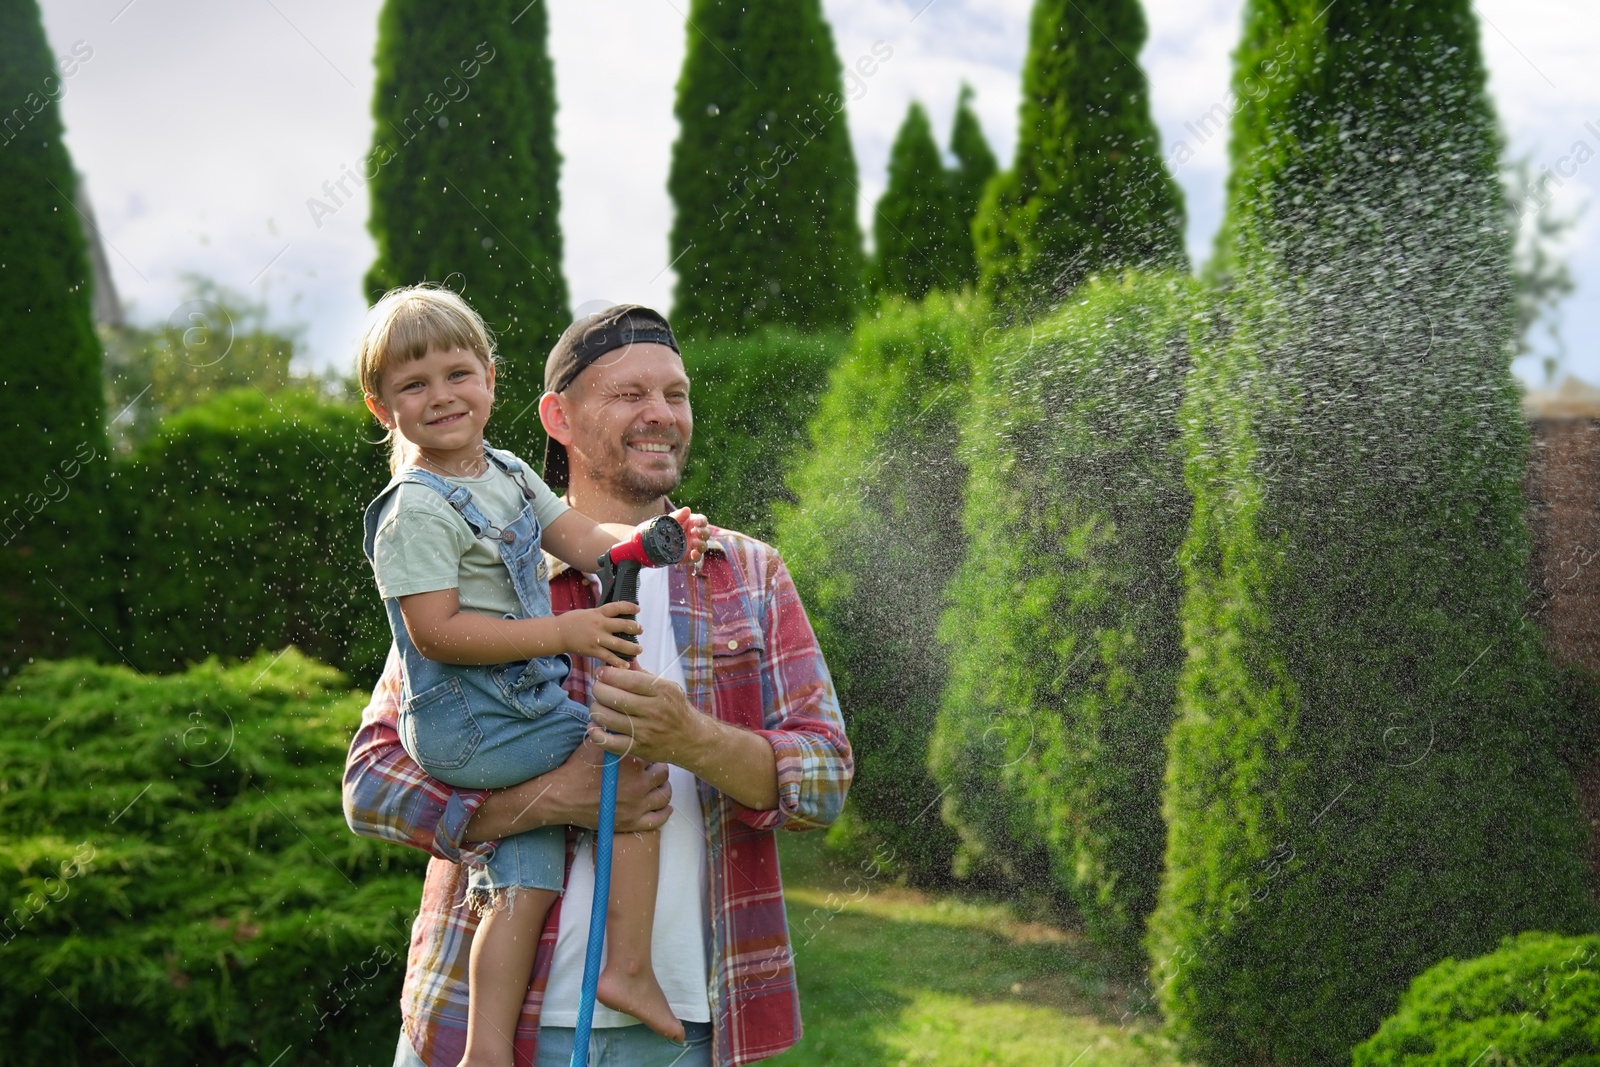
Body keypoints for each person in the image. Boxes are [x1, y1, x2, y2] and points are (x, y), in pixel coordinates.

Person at [344, 302, 853, 1067]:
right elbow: (373, 783)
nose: (661, 415)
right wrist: (552, 800)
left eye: (675, 394)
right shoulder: (489, 565)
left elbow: (824, 780)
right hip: (487, 1026)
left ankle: (631, 970)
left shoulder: (748, 575)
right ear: (559, 416)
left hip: (681, 1030)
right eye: (629, 395)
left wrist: (692, 739)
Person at [356, 288, 709, 1064]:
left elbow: (583, 539)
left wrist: (647, 541)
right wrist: (565, 630)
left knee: (526, 878)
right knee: (628, 759)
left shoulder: (509, 473)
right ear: (383, 408)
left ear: (490, 376)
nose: (442, 396)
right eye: (414, 386)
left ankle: (485, 1049)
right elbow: (436, 632)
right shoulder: (414, 508)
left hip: (503, 711)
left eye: (458, 373)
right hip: (471, 719)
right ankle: (627, 966)